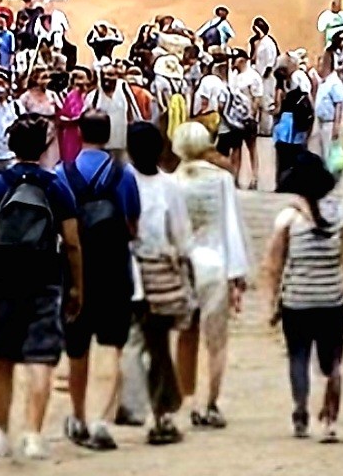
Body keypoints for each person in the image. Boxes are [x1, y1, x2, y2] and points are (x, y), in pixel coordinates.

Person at [0, 114, 85, 462]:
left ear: (10, 145)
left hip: (4, 277)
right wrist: (77, 285)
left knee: (1, 359)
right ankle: (33, 433)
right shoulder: (56, 186)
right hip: (45, 276)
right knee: (41, 360)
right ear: (46, 146)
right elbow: (72, 243)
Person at [260, 142, 343, 443]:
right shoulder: (342, 216)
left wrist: (270, 304)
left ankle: (300, 411)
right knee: (332, 363)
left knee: (298, 358)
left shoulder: (288, 218)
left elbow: (273, 264)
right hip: (332, 300)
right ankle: (329, 421)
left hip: (297, 301)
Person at [59, 108, 142, 452]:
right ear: (109, 135)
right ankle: (102, 421)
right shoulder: (123, 175)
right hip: (113, 268)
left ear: (79, 132)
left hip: (77, 271)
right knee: (112, 346)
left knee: (78, 350)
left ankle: (77, 416)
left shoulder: (62, 174)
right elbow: (133, 225)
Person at [171, 120, 249, 430]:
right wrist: (237, 273)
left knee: (185, 336)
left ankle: (187, 400)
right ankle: (211, 402)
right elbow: (231, 225)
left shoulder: (173, 181)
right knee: (216, 340)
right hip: (215, 264)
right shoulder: (220, 180)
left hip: (184, 265)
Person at [125, 117, 192, 444]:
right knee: (154, 344)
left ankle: (155, 408)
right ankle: (160, 409)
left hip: (147, 273)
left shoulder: (125, 182)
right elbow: (181, 236)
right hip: (151, 272)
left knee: (151, 344)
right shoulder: (167, 187)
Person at [217, 49, 263, 190]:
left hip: (247, 117)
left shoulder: (253, 76)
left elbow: (257, 97)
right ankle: (235, 176)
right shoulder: (234, 75)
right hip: (234, 118)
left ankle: (255, 177)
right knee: (236, 148)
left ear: (242, 60)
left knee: (251, 148)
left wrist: (251, 116)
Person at [311, 50, 343, 169]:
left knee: (329, 153)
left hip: (330, 123)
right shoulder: (324, 82)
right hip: (321, 122)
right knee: (321, 153)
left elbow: (339, 105)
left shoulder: (335, 83)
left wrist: (336, 126)